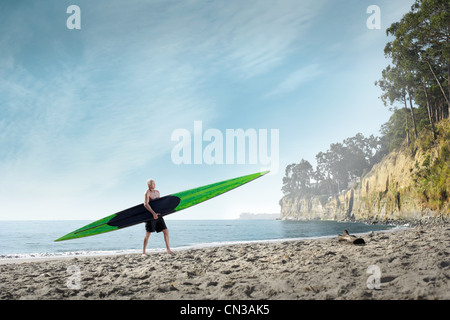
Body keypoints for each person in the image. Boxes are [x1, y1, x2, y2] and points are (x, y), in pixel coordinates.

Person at [142, 179, 174, 255]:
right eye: (152, 183)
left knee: (165, 230)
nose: (154, 184)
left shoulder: (157, 192)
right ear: (149, 185)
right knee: (148, 234)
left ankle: (168, 249)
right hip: (150, 215)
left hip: (159, 215)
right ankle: (143, 252)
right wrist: (153, 213)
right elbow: (146, 204)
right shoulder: (147, 192)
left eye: (154, 183)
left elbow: (159, 204)